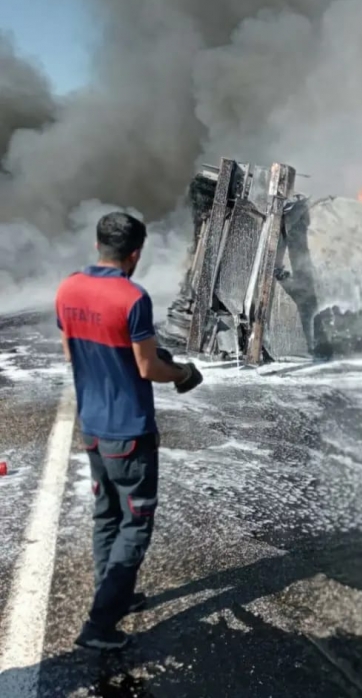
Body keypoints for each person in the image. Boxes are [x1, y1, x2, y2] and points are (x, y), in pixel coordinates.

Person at [55, 211, 203, 650]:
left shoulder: (67, 288)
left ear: (98, 243)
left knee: (107, 515)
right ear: (135, 254)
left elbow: (71, 352)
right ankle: (100, 626)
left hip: (94, 428)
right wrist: (180, 373)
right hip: (130, 433)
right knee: (135, 524)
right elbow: (146, 366)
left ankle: (112, 594)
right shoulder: (132, 297)